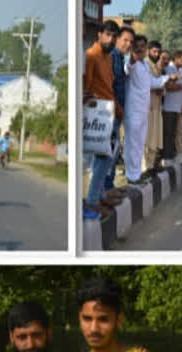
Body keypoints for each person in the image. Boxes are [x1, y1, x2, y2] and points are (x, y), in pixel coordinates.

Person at [124, 34, 173, 185]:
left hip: (143, 111)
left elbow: (152, 82)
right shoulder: (131, 62)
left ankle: (136, 175)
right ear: (133, 48)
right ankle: (131, 177)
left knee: (139, 144)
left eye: (142, 47)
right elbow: (128, 67)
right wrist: (133, 57)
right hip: (132, 110)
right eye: (137, 46)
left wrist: (168, 79)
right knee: (132, 144)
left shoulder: (145, 65)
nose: (140, 49)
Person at [83, 20, 119, 220]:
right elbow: (86, 90)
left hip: (110, 112)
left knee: (107, 159)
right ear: (99, 34)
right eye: (108, 34)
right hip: (98, 115)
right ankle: (92, 201)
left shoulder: (108, 57)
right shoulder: (92, 56)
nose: (111, 39)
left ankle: (98, 196)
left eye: (114, 36)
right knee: (103, 159)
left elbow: (109, 85)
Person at [104, 25, 134, 197]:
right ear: (117, 39)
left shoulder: (120, 58)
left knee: (113, 153)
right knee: (108, 154)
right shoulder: (113, 57)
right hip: (111, 113)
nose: (128, 44)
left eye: (130, 42)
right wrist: (117, 106)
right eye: (125, 40)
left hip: (117, 113)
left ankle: (108, 187)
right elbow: (109, 85)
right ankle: (105, 190)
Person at [161, 51, 182, 163]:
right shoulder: (170, 69)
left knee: (173, 133)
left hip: (176, 107)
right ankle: (166, 158)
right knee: (168, 133)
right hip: (169, 107)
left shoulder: (178, 70)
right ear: (176, 58)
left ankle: (171, 155)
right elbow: (169, 86)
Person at [144, 40, 165, 171]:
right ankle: (144, 168)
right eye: (154, 51)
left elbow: (161, 84)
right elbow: (145, 83)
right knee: (146, 139)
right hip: (147, 107)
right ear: (148, 51)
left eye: (158, 52)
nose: (156, 54)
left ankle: (150, 166)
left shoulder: (156, 66)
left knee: (154, 138)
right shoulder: (145, 64)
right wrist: (156, 88)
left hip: (157, 107)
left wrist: (161, 89)